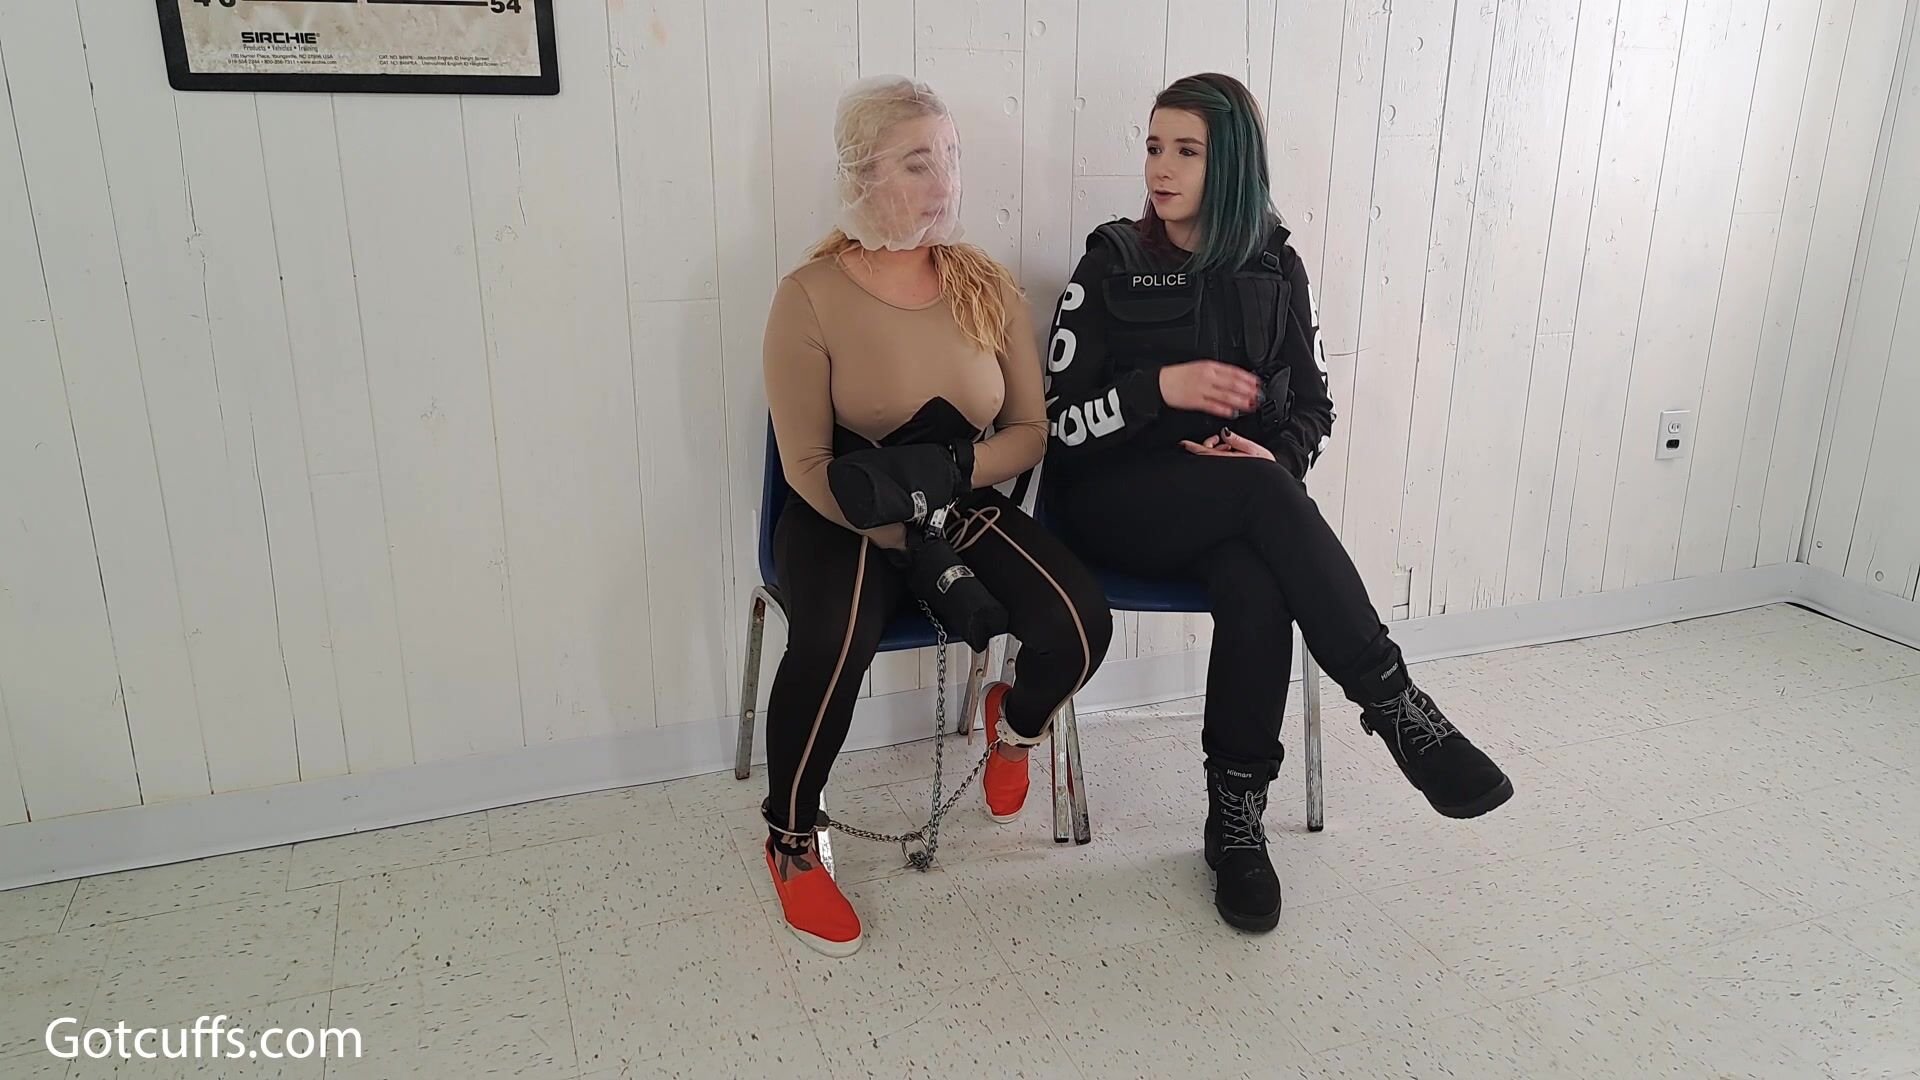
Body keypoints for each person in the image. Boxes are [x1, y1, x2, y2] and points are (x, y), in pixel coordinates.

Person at [1042, 73, 1512, 934]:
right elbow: (1059, 425)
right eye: (1154, 146)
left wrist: (1276, 453)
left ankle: (1236, 822)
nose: (1160, 167)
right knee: (1263, 497)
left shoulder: (1275, 264)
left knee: (1258, 583)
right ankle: (1396, 707)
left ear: (1232, 165)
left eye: (1187, 150)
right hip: (1115, 507)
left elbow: (1314, 406)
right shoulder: (1111, 261)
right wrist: (1158, 389)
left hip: (1234, 504)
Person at [760, 75, 1113, 956]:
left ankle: (1014, 727)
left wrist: (952, 475)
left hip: (953, 500)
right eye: (918, 162)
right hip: (842, 511)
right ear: (861, 176)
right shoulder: (809, 294)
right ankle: (792, 839)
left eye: (951, 157)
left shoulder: (984, 284)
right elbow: (805, 465)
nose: (945, 180)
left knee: (1079, 626)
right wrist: (898, 535)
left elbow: (1027, 431)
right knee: (834, 641)